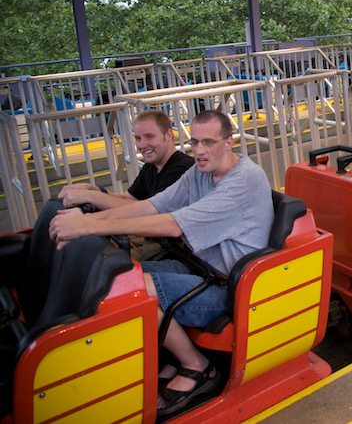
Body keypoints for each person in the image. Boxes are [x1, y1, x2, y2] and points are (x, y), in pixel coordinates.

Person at [49, 110, 273, 417]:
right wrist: (88, 219)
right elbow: (152, 205)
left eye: (209, 141)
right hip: (198, 268)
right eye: (195, 141)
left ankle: (199, 366)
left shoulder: (244, 180)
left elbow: (172, 225)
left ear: (228, 142)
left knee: (132, 291)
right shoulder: (200, 171)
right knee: (118, 276)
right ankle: (160, 358)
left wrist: (88, 227)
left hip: (227, 289)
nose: (200, 150)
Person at [58, 110, 194, 210]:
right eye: (138, 138)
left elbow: (149, 211)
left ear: (168, 135)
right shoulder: (151, 167)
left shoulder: (183, 169)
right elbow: (127, 199)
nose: (141, 145)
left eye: (149, 136)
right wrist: (94, 190)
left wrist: (92, 197)